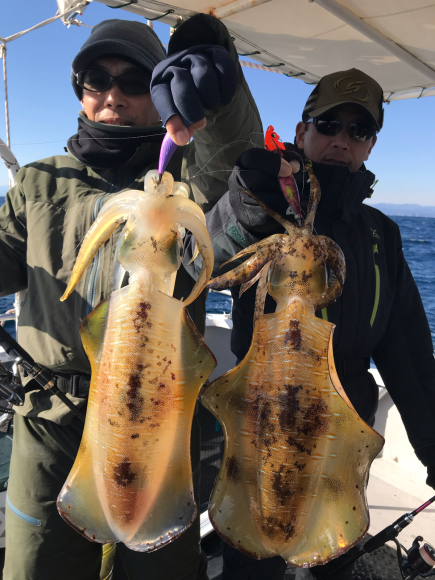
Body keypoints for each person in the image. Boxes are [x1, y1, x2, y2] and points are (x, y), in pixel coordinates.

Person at [0, 15, 262, 580]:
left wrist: (224, 80)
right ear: (80, 91)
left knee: (161, 566)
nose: (113, 94)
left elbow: (234, 160)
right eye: (98, 79)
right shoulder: (39, 183)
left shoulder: (184, 181)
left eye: (135, 81)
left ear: (161, 87)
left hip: (159, 414)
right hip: (52, 418)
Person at [185, 68, 435, 579]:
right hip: (257, 436)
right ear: (301, 133)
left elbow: (408, 353)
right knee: (250, 566)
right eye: (328, 124)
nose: (341, 140)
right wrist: (245, 204)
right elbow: (199, 262)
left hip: (339, 453)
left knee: (330, 562)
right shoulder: (262, 210)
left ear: (370, 145)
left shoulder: (381, 236)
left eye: (358, 131)